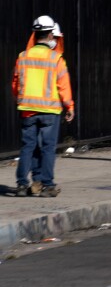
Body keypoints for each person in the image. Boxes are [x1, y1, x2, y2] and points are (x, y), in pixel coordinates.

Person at [13, 15, 74, 197]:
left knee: (28, 147)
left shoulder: (22, 57)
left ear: (35, 34)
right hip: (49, 111)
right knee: (48, 148)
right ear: (50, 35)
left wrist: (21, 99)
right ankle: (47, 185)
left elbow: (16, 84)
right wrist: (69, 106)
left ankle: (22, 185)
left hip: (27, 110)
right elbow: (63, 85)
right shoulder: (56, 58)